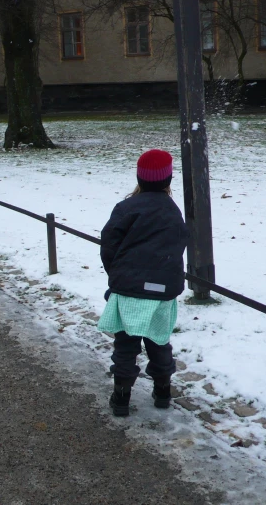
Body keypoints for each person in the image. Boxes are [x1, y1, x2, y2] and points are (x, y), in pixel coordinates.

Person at [98, 149, 189, 417]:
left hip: (129, 291)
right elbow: (176, 249)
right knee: (159, 342)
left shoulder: (126, 208)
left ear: (140, 177)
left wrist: (118, 275)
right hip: (161, 293)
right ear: (168, 179)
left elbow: (109, 244)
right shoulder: (172, 211)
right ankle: (163, 391)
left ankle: (121, 397)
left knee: (125, 345)